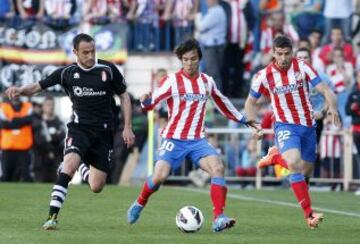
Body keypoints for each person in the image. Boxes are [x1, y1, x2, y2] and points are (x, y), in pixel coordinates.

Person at [5, 33, 135, 230]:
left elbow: (124, 96)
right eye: (85, 52)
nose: (90, 56)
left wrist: (127, 127)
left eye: (93, 51)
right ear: (75, 52)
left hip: (104, 133)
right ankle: (52, 218)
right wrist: (19, 90)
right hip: (79, 128)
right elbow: (37, 87)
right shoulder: (66, 73)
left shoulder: (108, 69)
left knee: (96, 186)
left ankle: (81, 165)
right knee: (69, 165)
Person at [126, 38, 258, 232]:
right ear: (181, 60)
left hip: (197, 140)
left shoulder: (207, 82)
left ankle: (218, 218)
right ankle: (140, 202)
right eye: (185, 59)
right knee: (159, 176)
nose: (189, 63)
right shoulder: (172, 81)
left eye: (193, 59)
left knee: (218, 167)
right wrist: (145, 101)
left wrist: (243, 119)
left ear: (199, 59)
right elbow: (153, 101)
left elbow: (222, 103)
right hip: (174, 138)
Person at [244, 35, 340, 229]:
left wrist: (333, 108)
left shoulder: (303, 67)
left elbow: (326, 90)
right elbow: (250, 102)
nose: (283, 58)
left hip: (308, 125)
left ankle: (275, 157)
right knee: (294, 164)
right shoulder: (264, 75)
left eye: (287, 54)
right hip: (285, 125)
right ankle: (309, 215)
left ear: (292, 52)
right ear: (273, 53)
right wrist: (253, 124)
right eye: (279, 54)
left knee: (305, 171)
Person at [0, 97, 33, 182]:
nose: (16, 96)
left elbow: (30, 119)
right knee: (6, 176)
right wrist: (22, 121)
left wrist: (11, 121)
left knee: (26, 176)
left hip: (24, 149)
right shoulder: (3, 107)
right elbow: (3, 124)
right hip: (8, 149)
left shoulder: (28, 106)